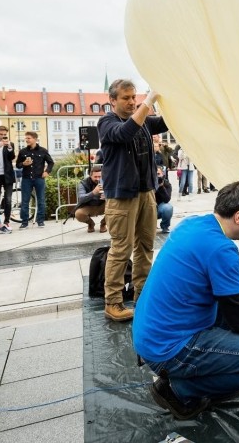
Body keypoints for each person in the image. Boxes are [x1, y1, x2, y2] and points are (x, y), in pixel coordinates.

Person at [133, 181, 239, 419]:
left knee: (225, 312)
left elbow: (225, 257)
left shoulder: (193, 225)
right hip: (169, 351)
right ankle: (179, 389)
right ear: (238, 216)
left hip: (150, 337)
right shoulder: (219, 249)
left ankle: (191, 372)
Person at [97, 79, 166, 322]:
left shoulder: (143, 120)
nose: (131, 101)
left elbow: (167, 123)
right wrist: (148, 102)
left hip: (146, 192)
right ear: (112, 101)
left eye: (133, 96)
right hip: (122, 197)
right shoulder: (107, 122)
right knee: (121, 250)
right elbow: (125, 133)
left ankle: (142, 296)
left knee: (146, 246)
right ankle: (113, 302)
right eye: (125, 98)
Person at [15, 131, 54, 228]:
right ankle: (24, 222)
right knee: (25, 201)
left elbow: (51, 163)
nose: (26, 140)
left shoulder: (43, 151)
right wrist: (24, 164)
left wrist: (47, 172)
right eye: (26, 138)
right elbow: (17, 165)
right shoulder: (23, 151)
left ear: (35, 139)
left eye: (29, 138)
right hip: (26, 179)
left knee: (41, 200)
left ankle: (40, 221)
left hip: (39, 178)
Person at [74, 165, 106, 232]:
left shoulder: (107, 181)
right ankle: (91, 223)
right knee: (78, 214)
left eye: (99, 177)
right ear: (90, 176)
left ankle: (103, 224)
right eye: (95, 177)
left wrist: (107, 196)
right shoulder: (83, 183)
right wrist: (94, 192)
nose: (97, 179)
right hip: (89, 206)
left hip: (103, 205)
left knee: (115, 207)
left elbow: (115, 194)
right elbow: (81, 198)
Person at [155, 166, 173, 233]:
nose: (157, 176)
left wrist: (161, 187)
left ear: (163, 174)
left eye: (158, 174)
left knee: (168, 208)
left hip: (159, 208)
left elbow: (167, 199)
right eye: (155, 174)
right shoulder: (148, 183)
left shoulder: (166, 184)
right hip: (148, 208)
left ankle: (165, 226)